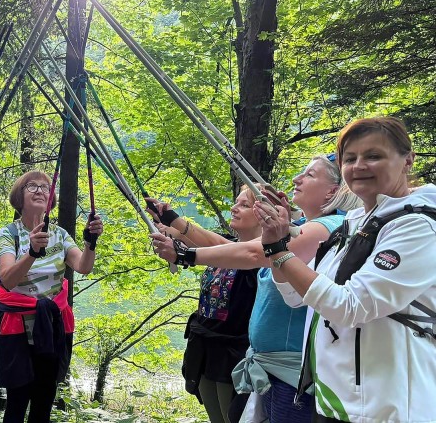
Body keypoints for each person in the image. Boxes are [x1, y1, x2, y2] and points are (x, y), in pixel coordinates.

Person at [150, 155, 361, 423]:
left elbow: (254, 254)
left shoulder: (327, 227)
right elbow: (227, 247)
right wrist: (175, 224)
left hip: (290, 370)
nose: (297, 179)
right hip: (270, 367)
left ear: (334, 190)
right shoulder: (302, 229)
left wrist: (185, 255)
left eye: (309, 175)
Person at [259, 117, 436, 422]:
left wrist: (278, 251)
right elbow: (295, 295)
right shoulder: (353, 224)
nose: (359, 166)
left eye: (374, 156)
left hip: (387, 407)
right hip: (336, 400)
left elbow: (351, 306)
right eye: (350, 158)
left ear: (407, 160)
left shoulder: (418, 226)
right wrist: (277, 250)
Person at [0, 170, 104, 423]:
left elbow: (83, 266)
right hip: (17, 327)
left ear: (50, 199)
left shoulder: (61, 234)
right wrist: (32, 251)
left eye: (45, 187)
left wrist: (90, 243)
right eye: (32, 186)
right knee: (17, 401)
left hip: (51, 327)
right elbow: (8, 279)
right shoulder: (9, 233)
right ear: (19, 197)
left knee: (43, 401)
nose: (40, 190)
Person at [145, 186, 262, 423]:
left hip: (234, 356)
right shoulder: (226, 244)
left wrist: (176, 223)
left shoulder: (262, 256)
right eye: (236, 202)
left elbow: (219, 247)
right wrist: (164, 222)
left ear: (264, 215)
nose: (234, 208)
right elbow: (198, 240)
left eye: (244, 205)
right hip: (205, 350)